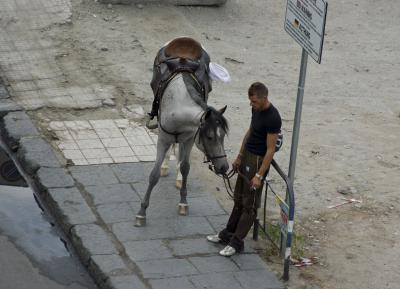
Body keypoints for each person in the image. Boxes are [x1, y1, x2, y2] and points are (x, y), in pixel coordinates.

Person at [207, 82, 282, 256]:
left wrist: (259, 175)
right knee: (239, 198)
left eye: (254, 102)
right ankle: (228, 234)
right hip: (248, 155)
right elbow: (250, 132)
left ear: (264, 98)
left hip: (258, 161)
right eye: (250, 101)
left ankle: (237, 243)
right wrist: (240, 156)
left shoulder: (273, 118)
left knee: (250, 205)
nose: (251, 105)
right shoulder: (255, 110)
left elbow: (270, 150)